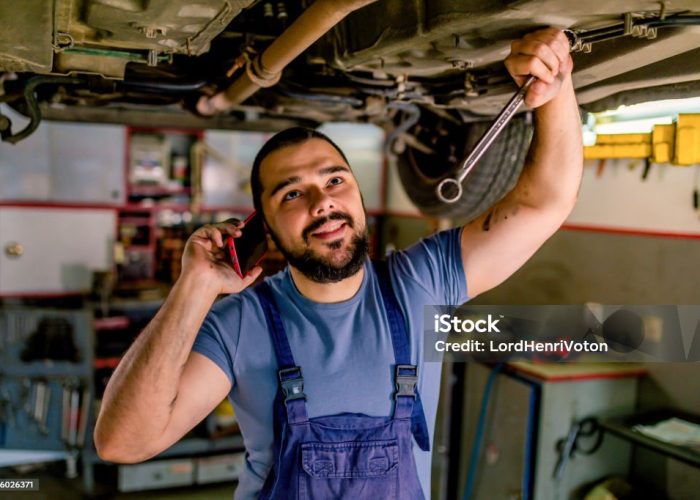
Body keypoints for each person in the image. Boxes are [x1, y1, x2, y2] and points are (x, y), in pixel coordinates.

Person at [94, 27, 582, 499]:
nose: (322, 203)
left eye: (334, 181)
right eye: (292, 194)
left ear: (357, 193)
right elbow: (123, 442)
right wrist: (194, 286)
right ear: (265, 228)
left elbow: (545, 203)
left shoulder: (420, 282)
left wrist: (554, 89)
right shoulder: (241, 323)